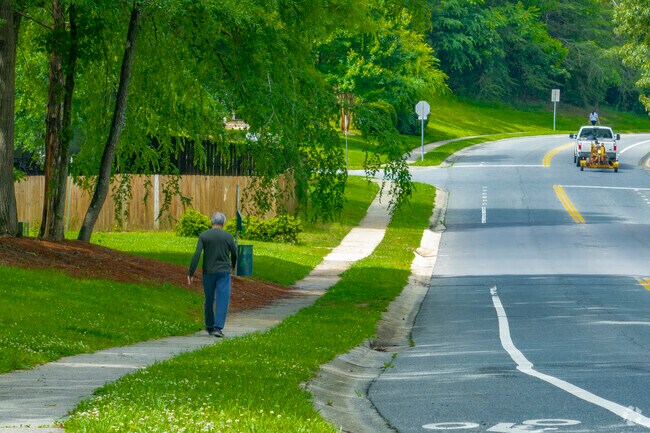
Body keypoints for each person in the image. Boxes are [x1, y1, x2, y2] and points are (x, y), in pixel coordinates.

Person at [187, 212, 238, 338]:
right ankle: (218, 327)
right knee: (222, 299)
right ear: (223, 223)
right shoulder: (228, 236)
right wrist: (233, 265)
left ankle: (209, 325)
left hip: (208, 272)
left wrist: (191, 272)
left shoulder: (204, 235)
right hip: (223, 272)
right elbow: (235, 253)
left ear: (212, 222)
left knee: (209, 299)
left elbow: (197, 254)